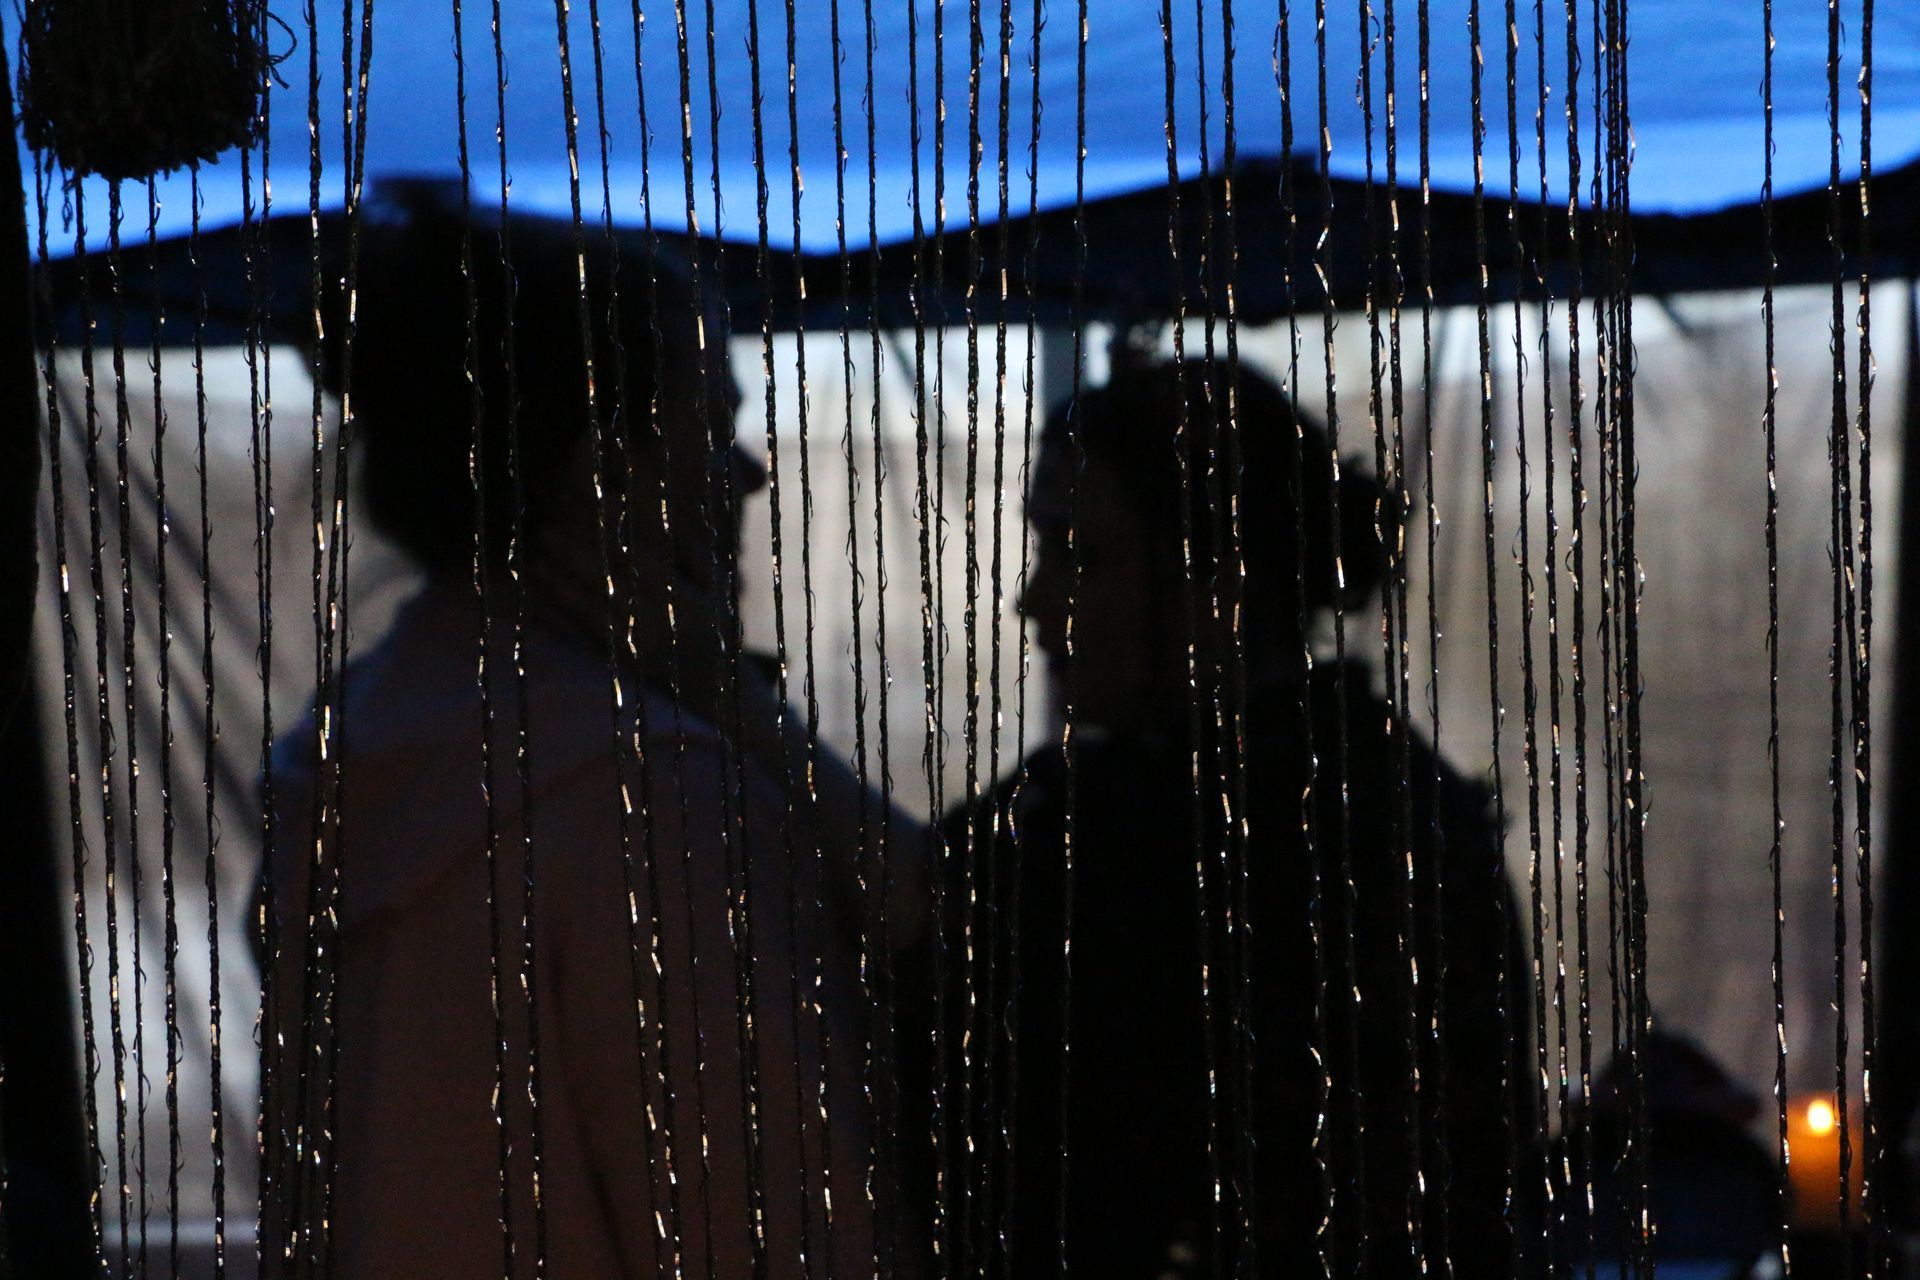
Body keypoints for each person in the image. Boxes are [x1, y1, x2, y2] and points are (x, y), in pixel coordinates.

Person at [258, 209, 925, 1279]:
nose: (746, 474)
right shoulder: (654, 796)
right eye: (710, 427)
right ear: (604, 471)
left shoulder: (349, 758)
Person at [907, 354, 1535, 1277]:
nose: (1034, 600)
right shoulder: (1104, 799)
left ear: (1220, 582)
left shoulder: (1339, 842)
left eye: (1085, 556)